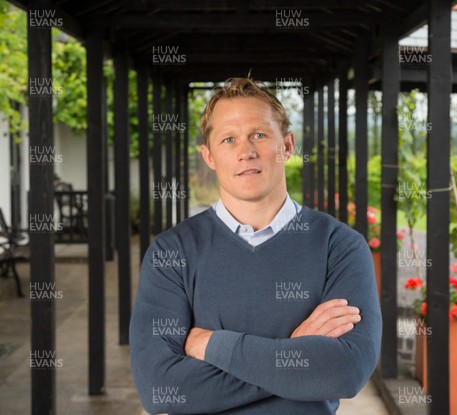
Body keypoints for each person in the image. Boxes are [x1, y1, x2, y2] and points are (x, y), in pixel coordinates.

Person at [130, 77, 382, 415]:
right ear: (209, 156)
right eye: (228, 139)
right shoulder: (170, 253)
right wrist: (294, 353)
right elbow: (160, 388)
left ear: (288, 145)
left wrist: (211, 345)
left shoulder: (341, 247)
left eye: (259, 135)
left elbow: (345, 371)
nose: (245, 151)